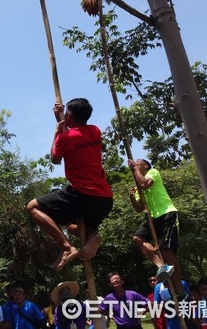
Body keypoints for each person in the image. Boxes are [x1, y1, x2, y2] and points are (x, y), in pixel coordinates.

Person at [27, 98, 113, 270]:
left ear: (69, 115)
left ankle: (67, 248)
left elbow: (55, 158)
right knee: (72, 225)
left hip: (83, 194)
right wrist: (61, 119)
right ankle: (93, 235)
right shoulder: (95, 131)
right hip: (104, 198)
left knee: (33, 207)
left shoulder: (65, 138)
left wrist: (56, 131)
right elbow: (74, 136)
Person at [128, 158, 184, 296]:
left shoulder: (152, 172)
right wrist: (131, 197)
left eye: (138, 161)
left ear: (145, 166)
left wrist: (135, 169)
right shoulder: (137, 186)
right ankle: (161, 266)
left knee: (166, 250)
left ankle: (179, 290)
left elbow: (145, 183)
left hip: (167, 213)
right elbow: (139, 208)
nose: (136, 162)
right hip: (152, 219)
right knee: (137, 237)